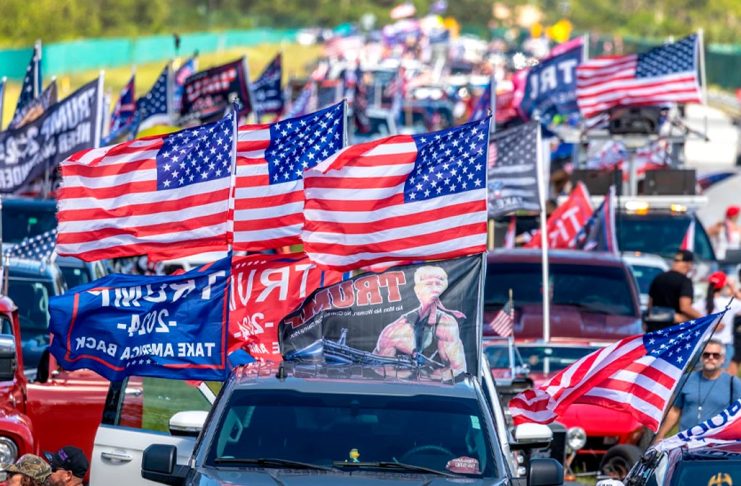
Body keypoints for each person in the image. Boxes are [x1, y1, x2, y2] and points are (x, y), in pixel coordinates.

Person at [374, 265, 467, 377]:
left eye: (438, 284)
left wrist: (429, 379)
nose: (435, 289)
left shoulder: (447, 325)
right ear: (417, 291)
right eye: (428, 284)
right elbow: (380, 370)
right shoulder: (395, 330)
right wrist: (411, 376)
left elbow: (458, 368)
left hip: (437, 391)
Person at [655, 340, 741, 441]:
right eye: (706, 354)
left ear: (723, 359)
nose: (710, 358)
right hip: (685, 442)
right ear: (701, 357)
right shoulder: (686, 379)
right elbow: (675, 411)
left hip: (716, 445)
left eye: (716, 355)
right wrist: (660, 436)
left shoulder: (733, 383)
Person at [694, 271, 741, 371]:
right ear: (724, 285)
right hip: (723, 346)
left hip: (703, 345)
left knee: (701, 376)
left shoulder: (700, 303)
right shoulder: (730, 303)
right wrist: (733, 288)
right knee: (719, 379)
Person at [646, 249, 702, 330]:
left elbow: (650, 305)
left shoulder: (658, 278)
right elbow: (685, 307)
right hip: (673, 329)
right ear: (689, 264)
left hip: (655, 329)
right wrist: (703, 319)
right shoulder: (685, 281)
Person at [708, 205, 741, 271]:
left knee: (732, 278)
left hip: (732, 260)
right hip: (719, 258)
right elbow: (705, 235)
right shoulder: (720, 227)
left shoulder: (738, 229)